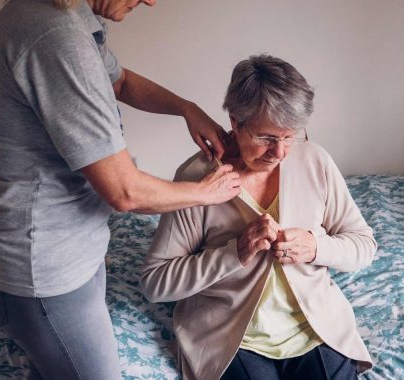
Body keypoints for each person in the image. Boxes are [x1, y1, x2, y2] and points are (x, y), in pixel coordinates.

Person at [0, 0, 241, 378]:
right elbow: (125, 193)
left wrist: (186, 108)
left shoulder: (68, 17)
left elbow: (120, 82)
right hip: (44, 274)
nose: (150, 0)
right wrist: (206, 192)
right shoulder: (56, 37)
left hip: (67, 257)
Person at [140, 54, 377, 380]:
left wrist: (316, 247)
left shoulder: (316, 162)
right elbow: (155, 283)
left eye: (290, 136)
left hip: (314, 329)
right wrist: (234, 253)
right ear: (236, 121)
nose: (279, 152)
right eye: (266, 137)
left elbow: (363, 244)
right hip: (231, 337)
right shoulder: (197, 178)